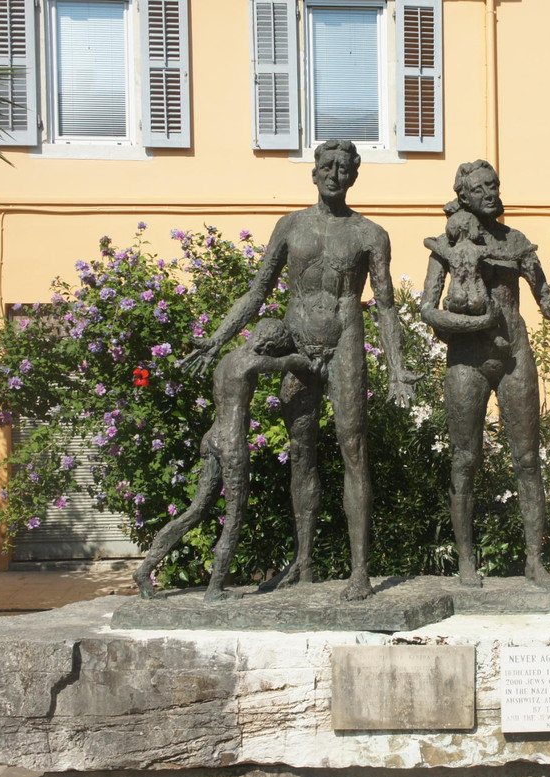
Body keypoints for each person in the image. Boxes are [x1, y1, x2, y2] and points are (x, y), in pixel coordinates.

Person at [172, 140, 416, 601]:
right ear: (314, 172)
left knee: (353, 449)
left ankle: (359, 572)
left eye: (344, 168)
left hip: (345, 344)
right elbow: (257, 292)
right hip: (298, 342)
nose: (334, 174)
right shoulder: (291, 226)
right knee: (302, 454)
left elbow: (385, 306)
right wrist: (217, 338)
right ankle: (304, 563)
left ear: (354, 176)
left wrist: (397, 368)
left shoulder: (370, 234)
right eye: (327, 166)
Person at [421, 159, 550, 588]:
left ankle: (533, 560)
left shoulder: (517, 242)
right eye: (481, 188)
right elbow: (427, 309)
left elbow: (548, 307)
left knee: (527, 460)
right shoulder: (448, 242)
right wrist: (472, 325)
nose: (491, 192)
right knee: (465, 459)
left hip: (514, 356)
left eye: (495, 185)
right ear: (464, 196)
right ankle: (466, 563)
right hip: (467, 361)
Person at [132, 319, 313, 601]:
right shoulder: (252, 362)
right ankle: (214, 590)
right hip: (231, 443)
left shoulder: (228, 359)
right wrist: (312, 359)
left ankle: (145, 569)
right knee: (234, 518)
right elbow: (293, 363)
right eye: (271, 351)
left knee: (195, 510)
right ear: (266, 347)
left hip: (212, 437)